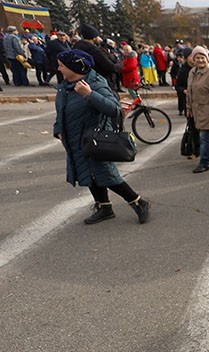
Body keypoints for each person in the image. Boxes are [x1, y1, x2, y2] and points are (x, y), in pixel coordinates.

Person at [52, 49, 150, 225]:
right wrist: (58, 128)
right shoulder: (64, 86)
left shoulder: (95, 83)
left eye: (61, 66)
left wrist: (89, 95)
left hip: (95, 139)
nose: (59, 69)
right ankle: (104, 207)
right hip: (75, 140)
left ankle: (139, 203)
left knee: (107, 175)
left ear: (75, 67)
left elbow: (114, 109)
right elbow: (61, 111)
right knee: (86, 173)